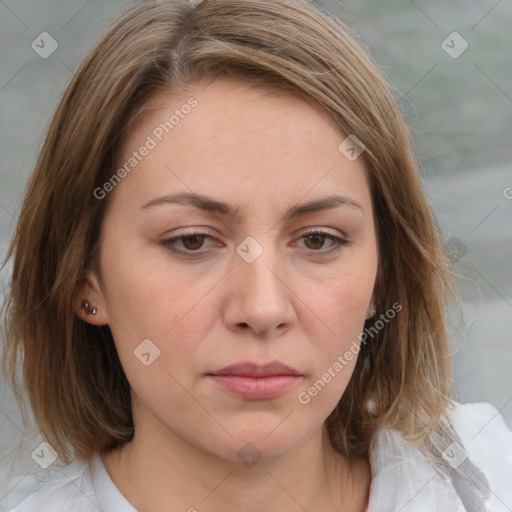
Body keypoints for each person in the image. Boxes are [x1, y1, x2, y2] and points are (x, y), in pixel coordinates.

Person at [2, 0, 511, 511]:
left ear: (382, 276)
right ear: (84, 277)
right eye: (192, 241)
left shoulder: (490, 472)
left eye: (319, 240)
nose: (263, 308)